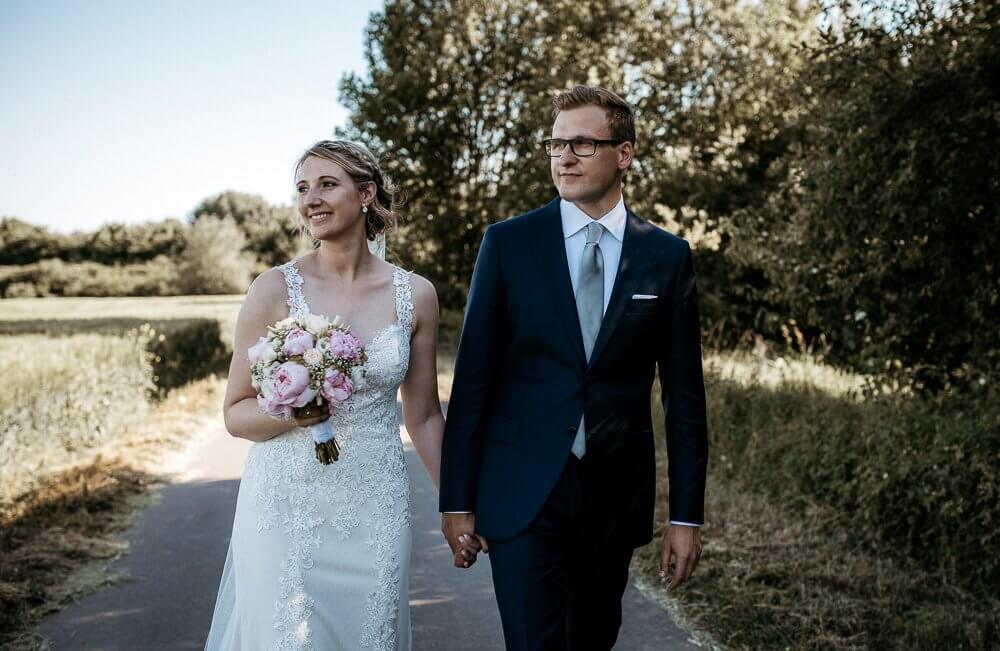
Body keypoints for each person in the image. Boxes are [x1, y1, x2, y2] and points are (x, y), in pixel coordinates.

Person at [439, 85, 709, 650]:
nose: (565, 157)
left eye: (583, 144)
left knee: (592, 640)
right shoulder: (509, 244)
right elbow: (473, 384)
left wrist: (686, 517)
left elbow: (684, 399)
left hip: (613, 496)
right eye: (557, 144)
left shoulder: (665, 256)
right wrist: (457, 501)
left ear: (625, 154)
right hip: (520, 493)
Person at [205, 140, 477, 650]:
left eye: (328, 184)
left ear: (367, 194)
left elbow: (423, 418)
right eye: (303, 188)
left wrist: (456, 503)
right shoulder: (273, 289)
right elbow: (236, 413)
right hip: (283, 507)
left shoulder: (415, 294)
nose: (312, 199)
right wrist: (296, 410)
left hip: (375, 503)